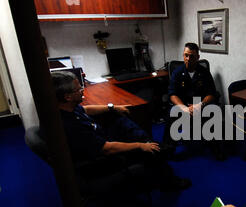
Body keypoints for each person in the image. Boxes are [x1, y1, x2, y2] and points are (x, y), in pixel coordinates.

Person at [51, 71, 191, 191]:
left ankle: (154, 145)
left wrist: (113, 107)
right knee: (148, 151)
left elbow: (86, 109)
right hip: (102, 158)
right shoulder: (71, 126)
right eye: (78, 89)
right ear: (67, 97)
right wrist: (140, 146)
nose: (82, 90)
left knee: (120, 120)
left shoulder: (68, 108)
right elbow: (106, 149)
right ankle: (168, 181)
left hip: (101, 137)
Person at [163, 42, 225, 160]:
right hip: (184, 105)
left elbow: (212, 93)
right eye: (186, 55)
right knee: (172, 114)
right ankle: (168, 150)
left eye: (192, 56)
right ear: (183, 55)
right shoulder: (177, 72)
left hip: (200, 105)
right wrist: (184, 108)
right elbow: (172, 94)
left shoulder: (204, 72)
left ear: (198, 57)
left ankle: (217, 149)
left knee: (214, 111)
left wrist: (200, 105)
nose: (188, 59)